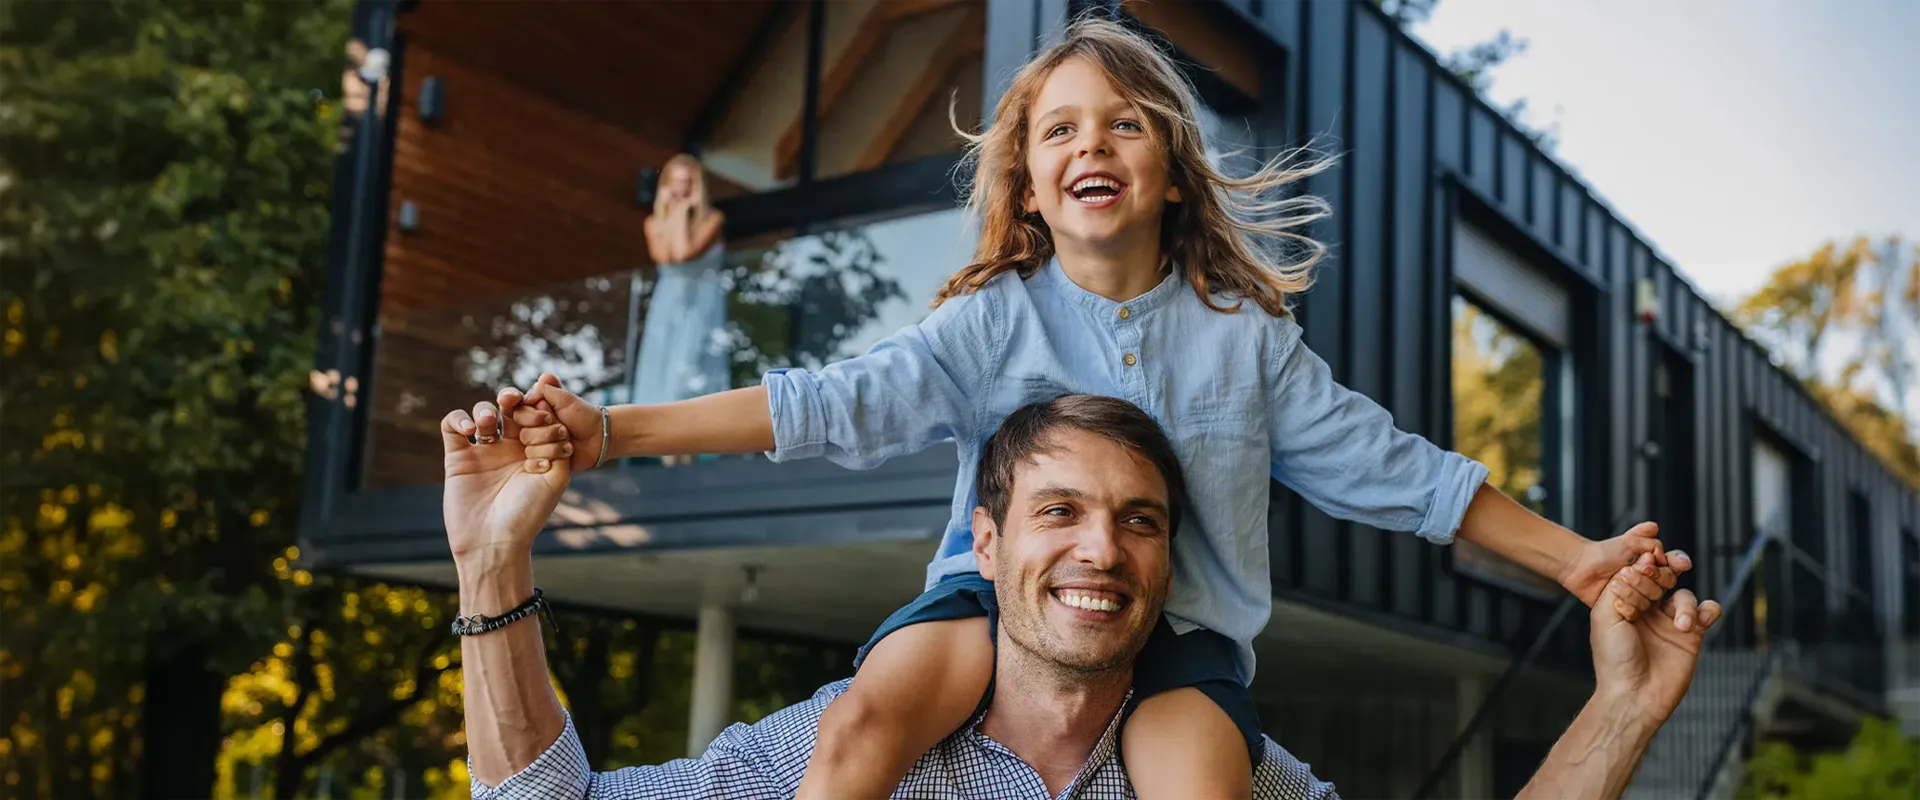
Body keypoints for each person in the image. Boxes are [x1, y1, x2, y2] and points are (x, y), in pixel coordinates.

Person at [492, 16, 1684, 800]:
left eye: (1123, 123)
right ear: (1031, 181)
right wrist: (610, 430)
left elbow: (1405, 472)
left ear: (1168, 170)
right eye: (1060, 127)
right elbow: (827, 404)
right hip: (984, 601)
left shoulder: (1249, 343)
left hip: (1187, 634)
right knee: (858, 732)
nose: (1091, 142)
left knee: (1205, 787)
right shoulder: (989, 320)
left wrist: (1576, 559)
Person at [444, 393, 1719, 799]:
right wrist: (493, 564)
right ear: (984, 546)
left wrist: (1623, 708)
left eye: (1139, 520)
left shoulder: (1233, 773)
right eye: (1059, 511)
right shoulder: (840, 746)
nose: (1100, 548)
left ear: (1170, 568)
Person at [631, 153, 730, 461]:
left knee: (690, 375)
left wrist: (681, 213)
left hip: (701, 308)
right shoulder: (652, 224)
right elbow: (668, 257)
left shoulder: (713, 219)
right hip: (668, 309)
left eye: (687, 184)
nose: (681, 191)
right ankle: (669, 455)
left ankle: (687, 453)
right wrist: (673, 215)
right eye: (675, 184)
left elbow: (684, 252)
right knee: (663, 374)